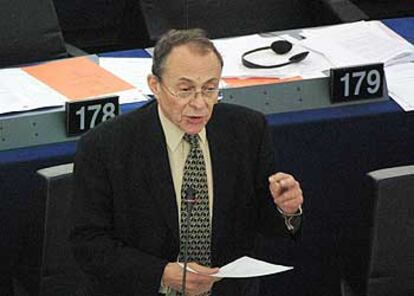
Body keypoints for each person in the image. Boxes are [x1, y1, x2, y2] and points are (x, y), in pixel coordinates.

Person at [70, 28, 304, 296]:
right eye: (185, 90)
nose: (200, 104)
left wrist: (287, 210)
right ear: (155, 85)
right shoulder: (106, 146)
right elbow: (88, 244)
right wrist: (161, 273)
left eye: (210, 89)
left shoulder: (248, 129)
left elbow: (266, 224)